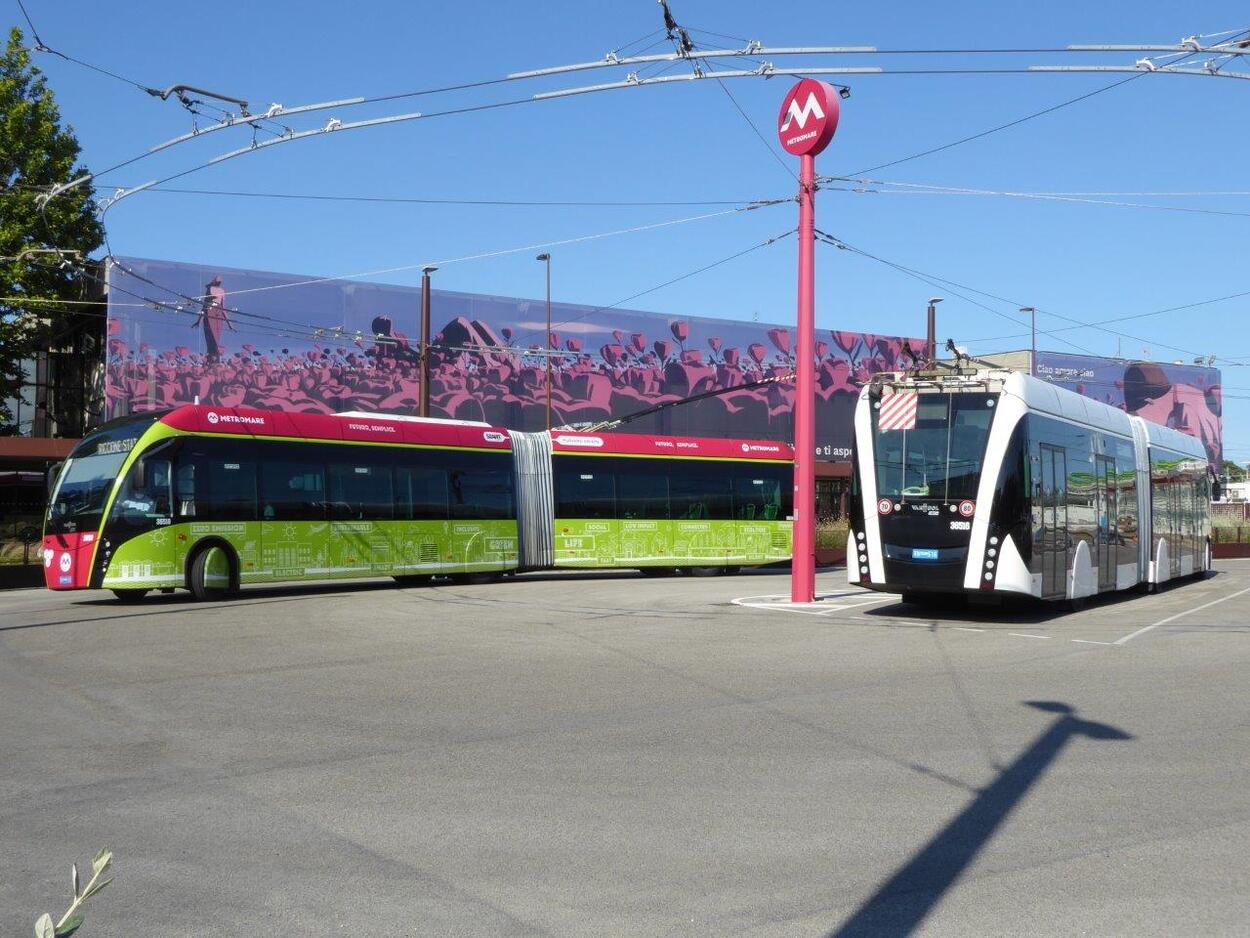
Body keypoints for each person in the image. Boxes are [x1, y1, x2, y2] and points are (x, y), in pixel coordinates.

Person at [192, 275, 236, 362]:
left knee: (215, 338)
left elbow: (223, 309)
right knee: (211, 337)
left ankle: (214, 358)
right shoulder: (210, 289)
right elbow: (205, 307)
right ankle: (211, 358)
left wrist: (230, 325)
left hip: (217, 315)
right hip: (210, 312)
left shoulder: (221, 291)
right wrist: (199, 321)